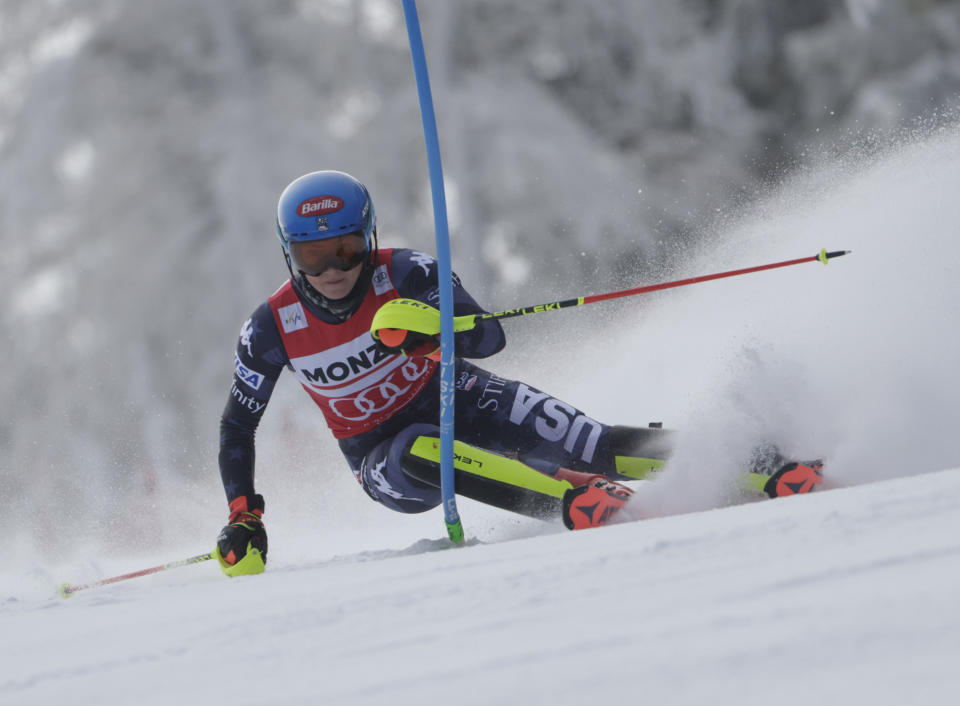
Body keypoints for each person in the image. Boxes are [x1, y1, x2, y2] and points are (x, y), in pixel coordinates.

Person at [214, 170, 823, 576]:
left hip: (461, 393)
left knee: (592, 442)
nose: (331, 271)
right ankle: (570, 496)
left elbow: (489, 334)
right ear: (288, 252)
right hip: (384, 459)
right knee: (424, 446)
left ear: (366, 238)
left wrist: (434, 332)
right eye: (311, 256)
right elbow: (238, 426)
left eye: (344, 249)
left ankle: (753, 464)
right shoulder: (271, 327)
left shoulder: (406, 272)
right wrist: (244, 514)